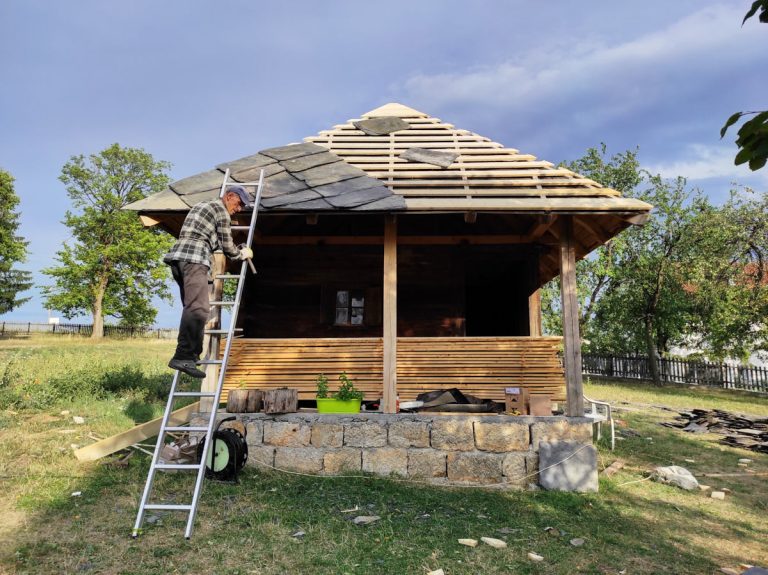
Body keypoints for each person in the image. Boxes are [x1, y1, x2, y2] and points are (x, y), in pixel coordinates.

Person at [164, 186, 254, 378]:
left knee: (194, 308)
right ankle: (183, 357)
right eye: (239, 204)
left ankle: (192, 355)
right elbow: (227, 245)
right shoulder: (220, 209)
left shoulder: (203, 205)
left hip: (180, 259)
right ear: (229, 196)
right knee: (198, 308)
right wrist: (242, 254)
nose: (239, 209)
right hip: (195, 258)